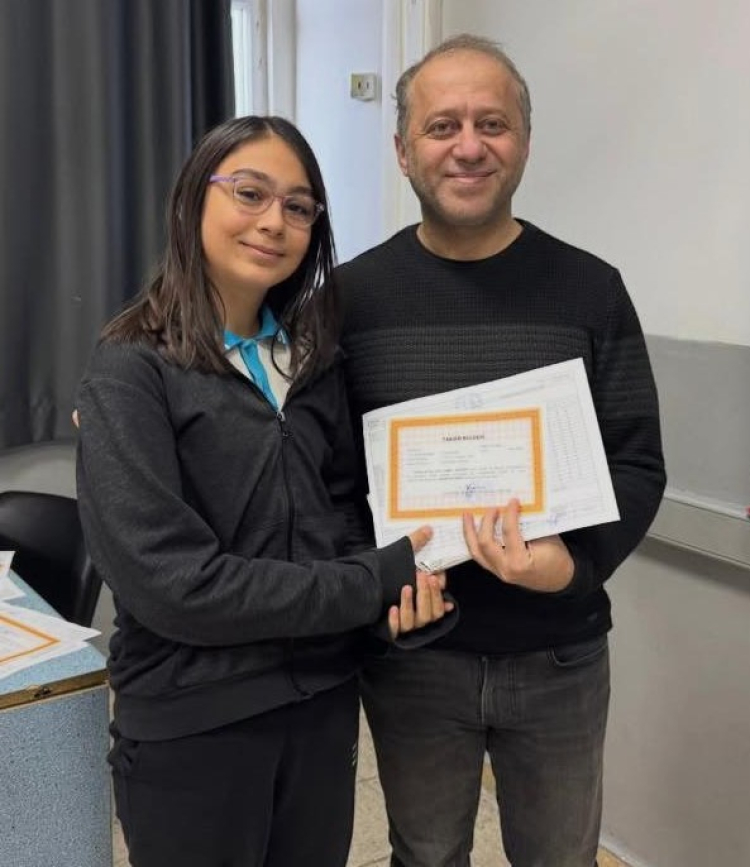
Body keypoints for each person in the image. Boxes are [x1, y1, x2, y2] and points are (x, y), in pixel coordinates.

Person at [75, 115, 454, 867]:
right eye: (249, 193)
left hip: (321, 708)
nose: (274, 221)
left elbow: (344, 517)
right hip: (194, 720)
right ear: (194, 198)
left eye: (299, 206)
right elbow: (173, 585)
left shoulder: (313, 360)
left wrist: (397, 605)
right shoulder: (131, 368)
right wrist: (369, 582)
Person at [336, 33, 666, 867]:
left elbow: (636, 463)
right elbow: (330, 477)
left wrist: (569, 567)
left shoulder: (592, 290)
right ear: (403, 149)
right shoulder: (350, 299)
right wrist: (377, 582)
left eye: (493, 123)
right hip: (414, 654)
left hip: (560, 651)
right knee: (424, 855)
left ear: (523, 140)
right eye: (442, 125)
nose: (469, 146)